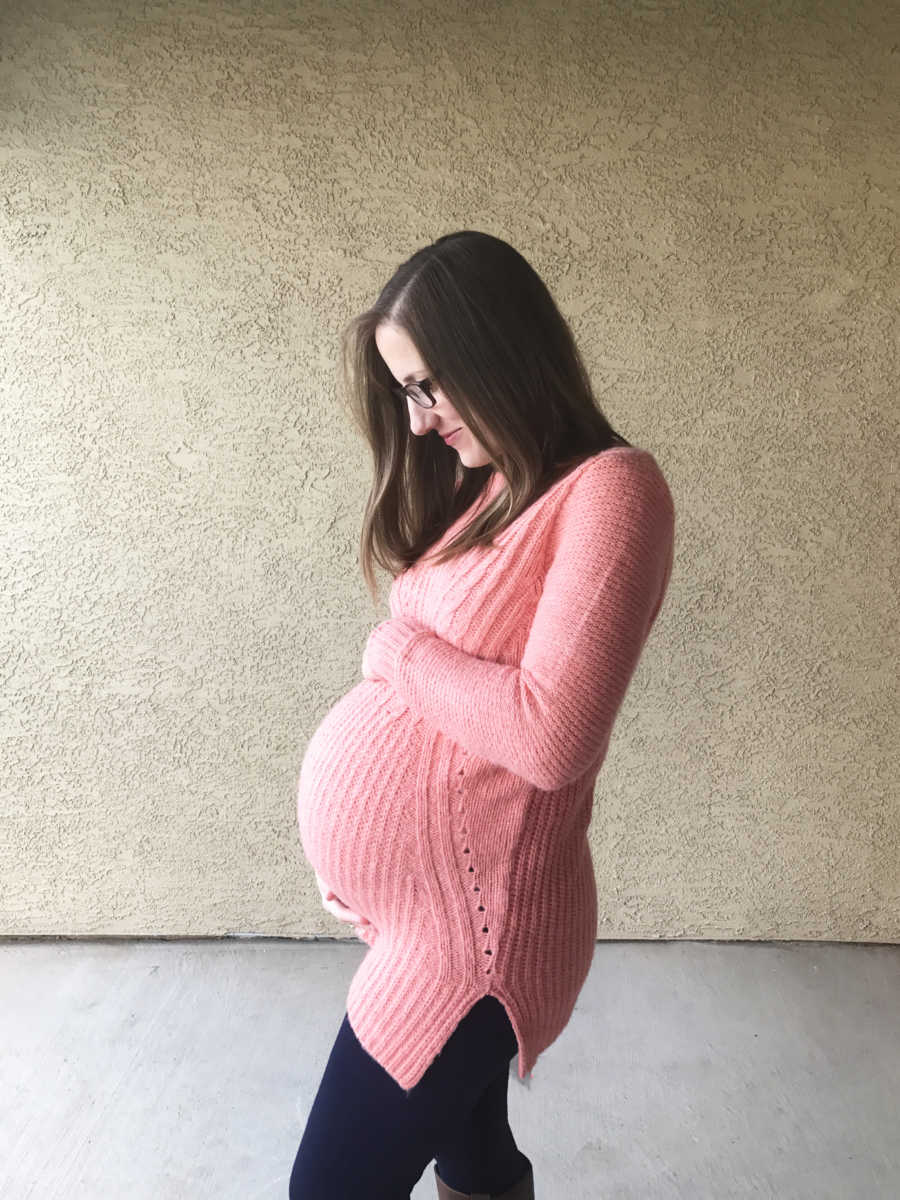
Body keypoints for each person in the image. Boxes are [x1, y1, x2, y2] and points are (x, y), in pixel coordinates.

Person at [290, 231, 676, 1199]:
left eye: (427, 386)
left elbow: (552, 735)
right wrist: (378, 872)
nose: (417, 422)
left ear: (497, 351)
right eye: (406, 393)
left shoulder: (614, 492)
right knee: (475, 1158)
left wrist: (398, 653)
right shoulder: (494, 489)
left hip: (476, 942)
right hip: (431, 918)